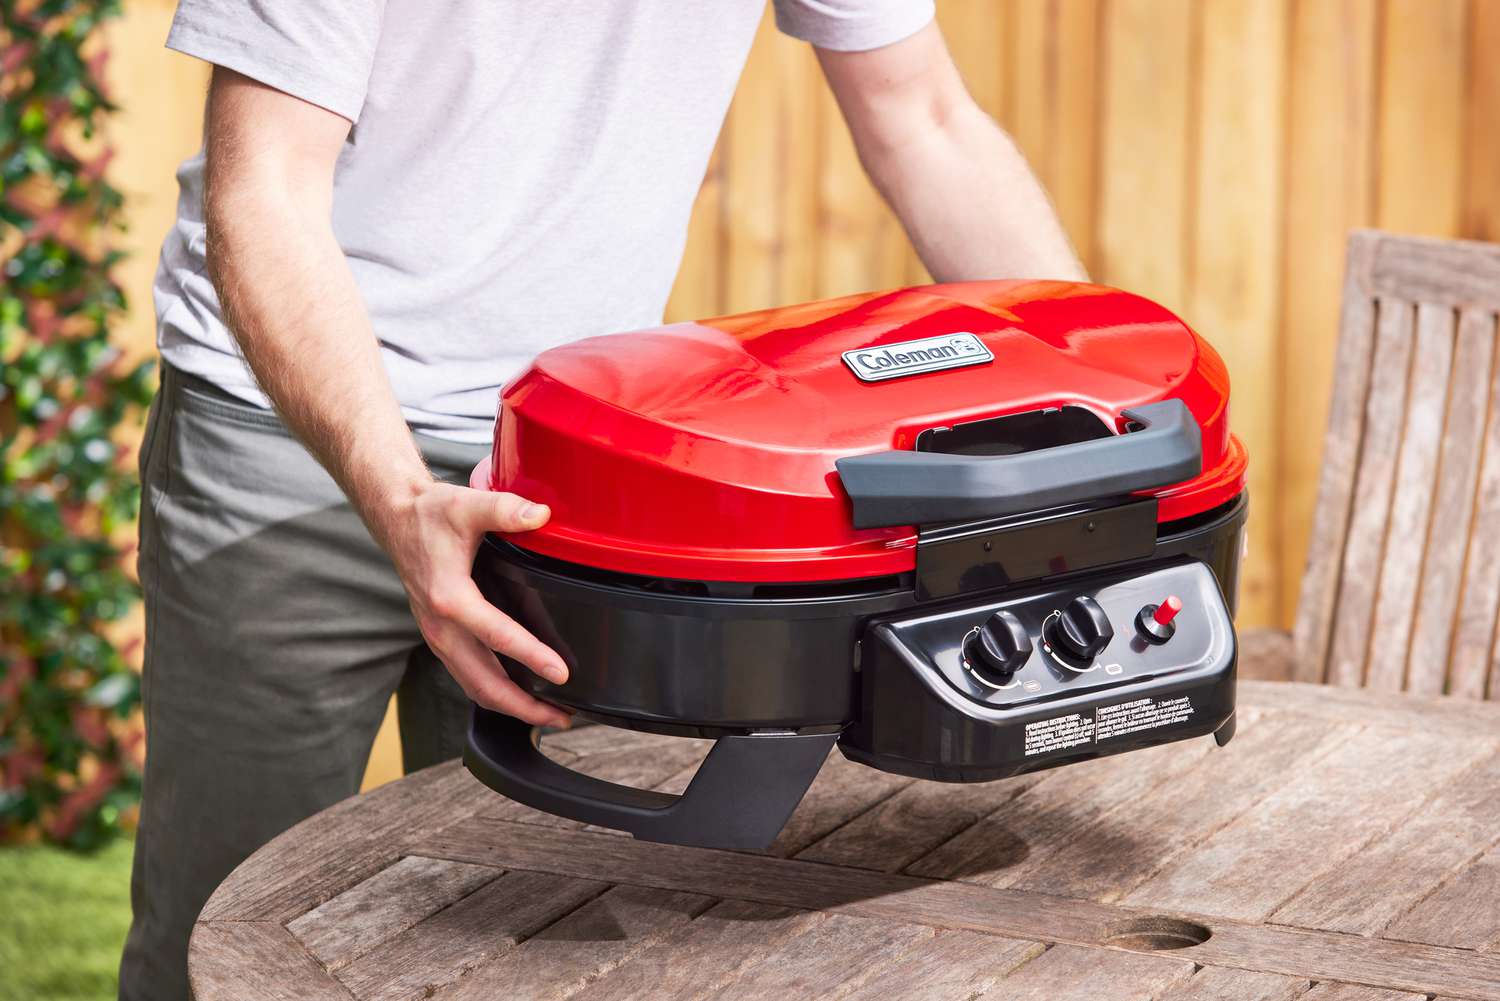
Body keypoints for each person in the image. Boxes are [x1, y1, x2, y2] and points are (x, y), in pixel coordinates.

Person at [119, 1, 1086, 997]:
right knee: (218, 934)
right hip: (284, 435)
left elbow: (922, 118)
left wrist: (1097, 403)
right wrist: (402, 495)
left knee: (545, 938)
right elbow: (264, 187)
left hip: (575, 459)